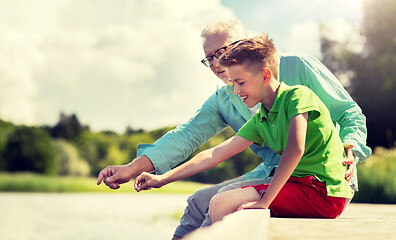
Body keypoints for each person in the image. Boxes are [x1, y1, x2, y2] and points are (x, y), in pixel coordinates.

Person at [97, 20, 371, 239]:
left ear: (246, 46)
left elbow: (348, 113)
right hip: (272, 177)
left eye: (222, 52)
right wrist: (139, 170)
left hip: (321, 182)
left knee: (220, 203)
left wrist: (351, 148)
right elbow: (194, 140)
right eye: (209, 58)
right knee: (196, 201)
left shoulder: (296, 72)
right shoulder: (227, 98)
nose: (216, 63)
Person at [135, 33, 353, 221]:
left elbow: (295, 149)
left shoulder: (297, 96)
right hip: (298, 187)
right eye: (233, 83)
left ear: (265, 75)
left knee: (222, 203)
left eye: (240, 82)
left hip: (323, 192)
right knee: (219, 202)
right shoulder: (262, 119)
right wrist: (162, 178)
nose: (236, 91)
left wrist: (265, 201)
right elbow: (215, 154)